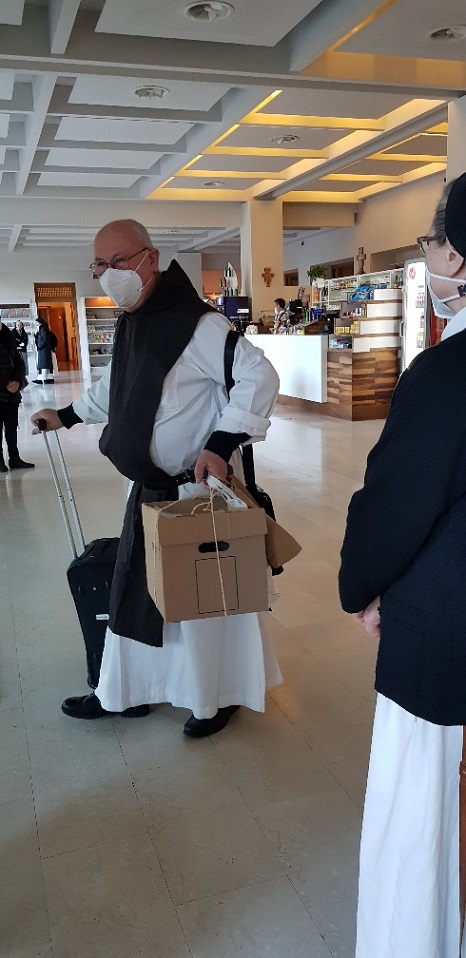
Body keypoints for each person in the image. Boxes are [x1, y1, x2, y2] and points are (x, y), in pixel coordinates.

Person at [31, 218, 282, 737]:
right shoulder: (132, 323)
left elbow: (259, 375)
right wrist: (67, 415)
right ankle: (129, 691)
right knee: (139, 592)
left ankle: (214, 698)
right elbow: (113, 388)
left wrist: (220, 445)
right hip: (147, 492)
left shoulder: (199, 324)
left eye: (119, 261)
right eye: (100, 264)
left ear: (151, 258)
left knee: (202, 605)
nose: (109, 273)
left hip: (195, 493)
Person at [339, 171, 466, 958]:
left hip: (447, 641)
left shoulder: (447, 375)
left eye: (434, 240)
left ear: (458, 256)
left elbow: (395, 505)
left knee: (425, 813)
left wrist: (364, 587)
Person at [0, 316, 34, 472]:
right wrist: (5, 384)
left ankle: (14, 458)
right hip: (3, 390)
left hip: (11, 394)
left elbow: (19, 362)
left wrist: (17, 381)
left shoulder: (8, 336)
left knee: (12, 427)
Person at [33, 315, 54, 385]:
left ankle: (42, 378)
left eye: (36, 322)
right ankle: (48, 378)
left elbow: (44, 339)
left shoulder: (42, 329)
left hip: (43, 349)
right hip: (44, 349)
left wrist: (40, 345)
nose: (35, 324)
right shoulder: (42, 328)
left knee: (43, 364)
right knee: (45, 364)